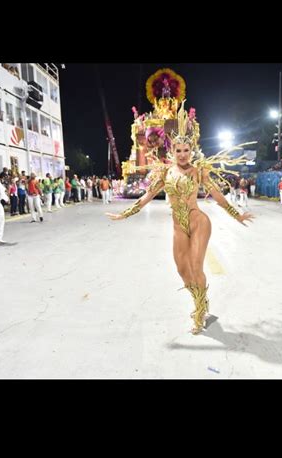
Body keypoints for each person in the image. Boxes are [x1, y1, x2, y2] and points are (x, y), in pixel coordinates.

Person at [106, 102, 254, 334]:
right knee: (182, 271)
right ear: (172, 151)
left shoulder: (199, 171)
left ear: (191, 150)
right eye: (178, 150)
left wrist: (237, 215)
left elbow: (217, 195)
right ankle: (201, 300)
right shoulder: (164, 172)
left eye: (186, 150)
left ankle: (198, 313)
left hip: (198, 221)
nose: (183, 154)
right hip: (178, 226)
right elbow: (146, 196)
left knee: (196, 267)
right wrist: (124, 214)